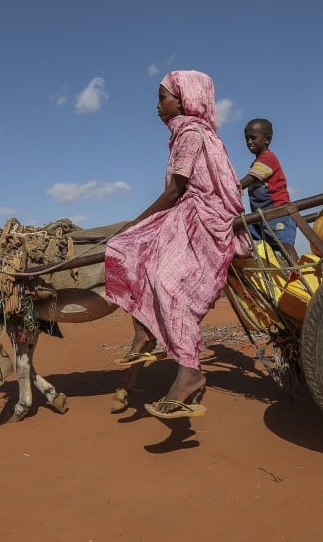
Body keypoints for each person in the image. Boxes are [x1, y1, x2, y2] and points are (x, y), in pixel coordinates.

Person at [105, 70, 250, 419]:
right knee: (143, 255)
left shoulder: (190, 133)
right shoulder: (191, 133)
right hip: (194, 211)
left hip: (204, 216)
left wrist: (134, 222)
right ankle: (144, 333)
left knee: (153, 270)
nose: (157, 106)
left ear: (185, 100)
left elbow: (175, 190)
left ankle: (189, 371)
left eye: (163, 97)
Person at [239, 118, 300, 264]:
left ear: (267, 139)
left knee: (285, 246)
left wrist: (227, 188)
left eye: (253, 137)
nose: (249, 141)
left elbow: (248, 180)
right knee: (244, 234)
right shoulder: (257, 162)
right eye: (246, 138)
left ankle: (299, 274)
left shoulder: (268, 158)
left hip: (277, 212)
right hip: (261, 217)